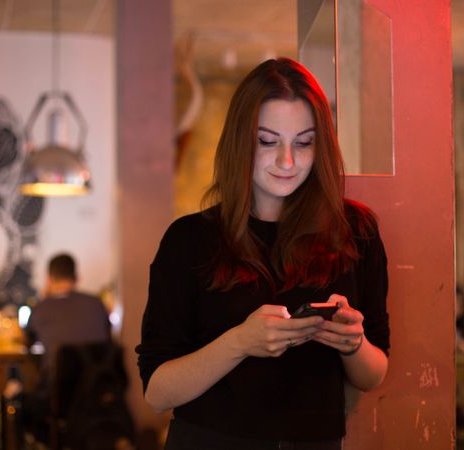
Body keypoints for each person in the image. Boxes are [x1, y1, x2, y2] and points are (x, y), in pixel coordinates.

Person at [136, 57, 389, 449]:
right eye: (267, 141)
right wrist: (240, 343)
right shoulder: (189, 240)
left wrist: (353, 343)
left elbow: (373, 375)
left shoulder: (356, 232)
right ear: (241, 141)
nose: (287, 162)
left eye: (304, 143)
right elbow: (157, 392)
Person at [23, 253, 111, 443]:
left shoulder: (40, 309)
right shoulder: (97, 304)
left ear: (48, 279)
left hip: (57, 398)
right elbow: (108, 340)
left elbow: (28, 344)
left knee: (23, 405)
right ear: (76, 277)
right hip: (99, 393)